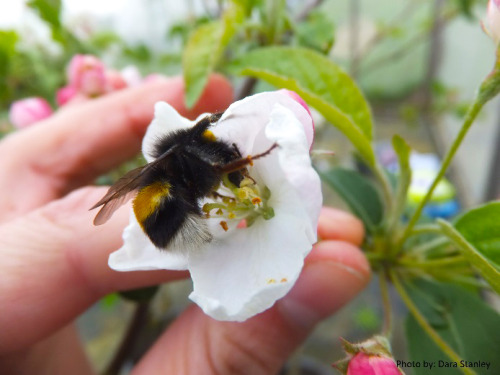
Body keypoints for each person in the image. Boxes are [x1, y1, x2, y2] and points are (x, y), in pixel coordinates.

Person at [0, 75, 370, 374]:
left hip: (169, 216)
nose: (235, 170)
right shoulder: (197, 166)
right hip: (170, 218)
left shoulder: (194, 160)